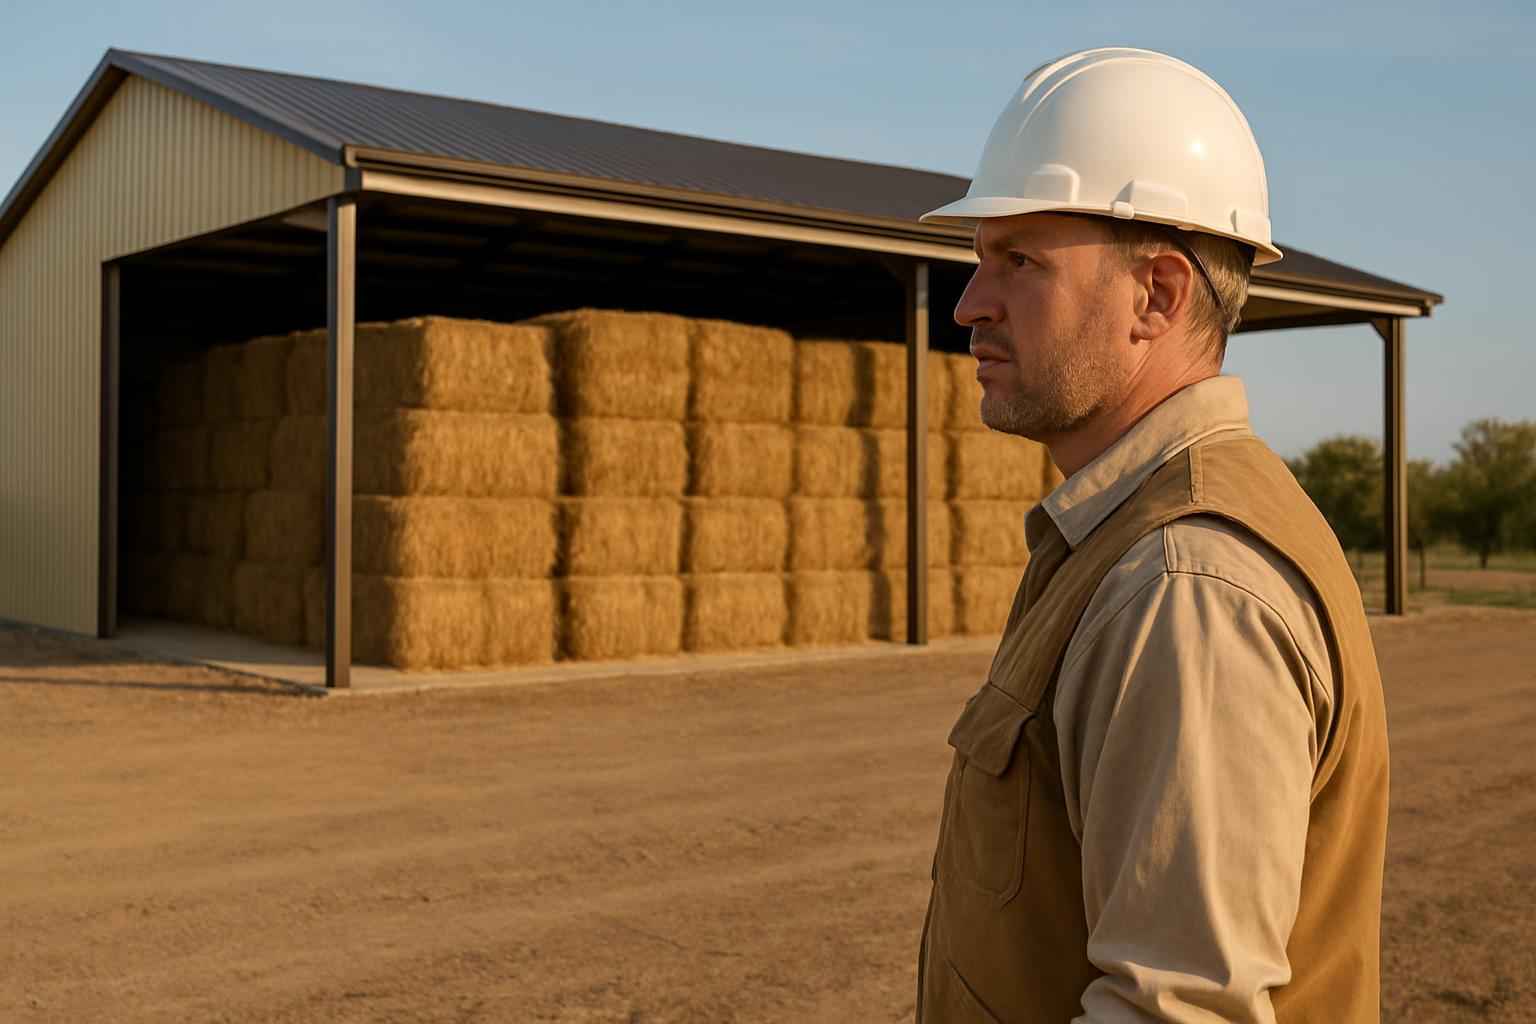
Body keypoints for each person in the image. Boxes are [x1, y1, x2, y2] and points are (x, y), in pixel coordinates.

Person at [914, 48, 1390, 1023]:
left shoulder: (1188, 582)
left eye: (1020, 263)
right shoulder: (1122, 541)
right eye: (977, 261)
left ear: (1158, 297)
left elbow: (1177, 1010)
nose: (968, 305)